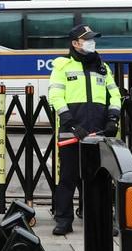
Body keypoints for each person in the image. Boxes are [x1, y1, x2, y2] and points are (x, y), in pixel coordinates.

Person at [46, 24, 122, 235]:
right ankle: (64, 220)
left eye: (92, 38)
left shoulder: (102, 67)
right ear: (75, 43)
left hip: (98, 133)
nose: (91, 42)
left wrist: (113, 119)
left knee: (98, 179)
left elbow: (114, 95)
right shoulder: (62, 66)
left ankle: (102, 220)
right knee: (68, 178)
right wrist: (70, 123)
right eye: (86, 39)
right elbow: (55, 96)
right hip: (72, 132)